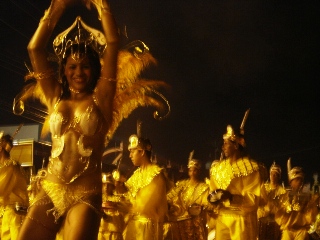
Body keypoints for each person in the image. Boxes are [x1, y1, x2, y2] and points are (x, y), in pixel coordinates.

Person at [17, 0, 119, 239]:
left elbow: (113, 43)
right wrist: (57, 7)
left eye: (84, 67)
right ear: (63, 70)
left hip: (85, 193)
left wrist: (102, 6)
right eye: (72, 67)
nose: (78, 72)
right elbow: (35, 49)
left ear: (93, 70)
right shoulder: (54, 96)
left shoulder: (101, 99)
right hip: (51, 189)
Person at [208, 123, 262, 240]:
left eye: (226, 143)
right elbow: (213, 191)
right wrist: (213, 200)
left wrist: (232, 197)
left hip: (240, 220)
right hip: (222, 217)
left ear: (236, 145)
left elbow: (253, 200)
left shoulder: (250, 168)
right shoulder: (217, 169)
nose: (223, 147)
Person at [122, 134, 168, 240]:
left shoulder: (155, 174)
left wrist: (125, 206)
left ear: (142, 152)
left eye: (132, 151)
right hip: (133, 227)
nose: (130, 155)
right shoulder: (135, 175)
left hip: (146, 229)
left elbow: (146, 205)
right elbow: (127, 197)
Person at [165, 150, 210, 240]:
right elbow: (170, 198)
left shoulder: (204, 187)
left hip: (195, 223)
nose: (192, 173)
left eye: (195, 170)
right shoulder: (181, 184)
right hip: (179, 222)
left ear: (199, 172)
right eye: (190, 170)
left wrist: (198, 209)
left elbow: (206, 204)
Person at [275, 159, 319, 240]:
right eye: (297, 180)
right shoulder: (285, 196)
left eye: (301, 180)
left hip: (301, 230)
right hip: (288, 230)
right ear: (291, 182)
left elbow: (311, 216)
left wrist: (307, 208)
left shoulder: (307, 197)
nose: (300, 182)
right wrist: (286, 208)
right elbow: (279, 216)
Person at [0, 132, 29, 240]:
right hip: (6, 213)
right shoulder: (6, 167)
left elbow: (1, 189)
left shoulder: (11, 167)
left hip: (14, 215)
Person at [257, 162, 286, 240]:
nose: (273, 176)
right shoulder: (263, 188)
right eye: (272, 174)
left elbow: (283, 208)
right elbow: (258, 203)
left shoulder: (282, 191)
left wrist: (273, 208)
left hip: (274, 224)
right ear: (269, 175)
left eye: (276, 174)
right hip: (262, 222)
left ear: (279, 177)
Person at [98, 173, 125, 240]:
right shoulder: (98, 199)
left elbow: (125, 211)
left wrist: (115, 206)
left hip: (114, 233)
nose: (106, 187)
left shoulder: (118, 199)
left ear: (113, 187)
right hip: (101, 232)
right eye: (104, 184)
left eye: (109, 185)